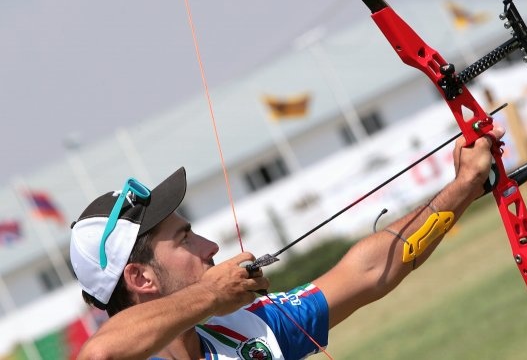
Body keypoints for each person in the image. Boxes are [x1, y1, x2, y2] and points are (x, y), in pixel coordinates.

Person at [69, 126, 504, 359]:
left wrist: (465, 185)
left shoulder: (245, 332)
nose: (209, 247)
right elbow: (100, 353)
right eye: (185, 240)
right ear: (140, 276)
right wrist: (211, 293)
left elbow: (368, 272)